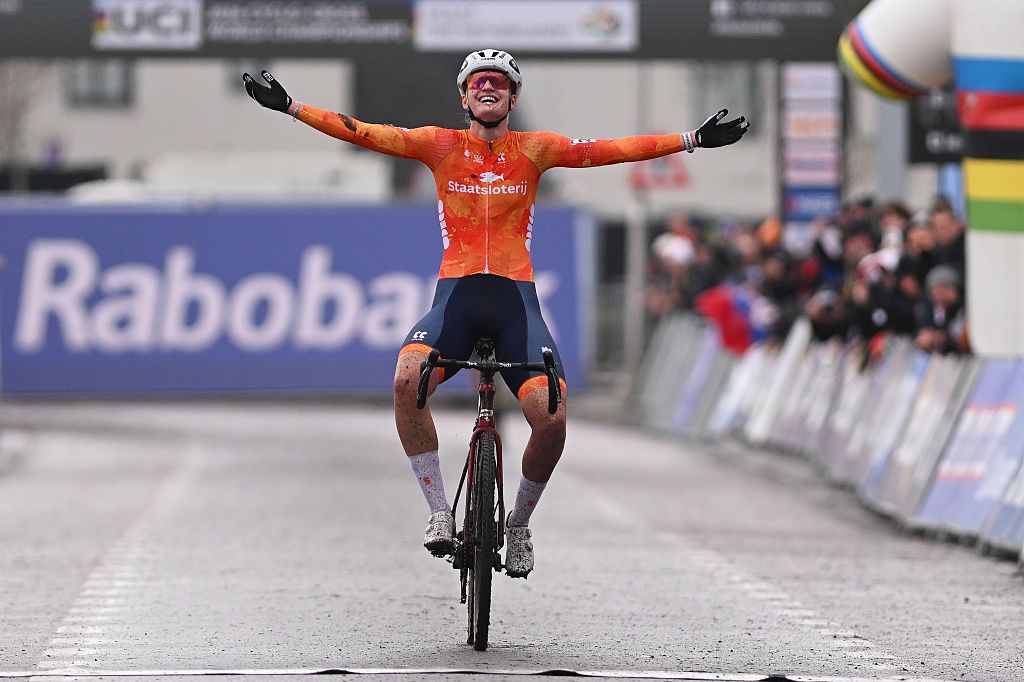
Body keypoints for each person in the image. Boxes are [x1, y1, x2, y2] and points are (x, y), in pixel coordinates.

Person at [243, 50, 749, 577]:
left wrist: (691, 139)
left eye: (499, 83)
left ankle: (519, 524)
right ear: (463, 97)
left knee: (551, 419)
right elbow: (365, 133)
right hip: (456, 301)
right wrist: (291, 107)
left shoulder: (534, 149)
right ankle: (439, 510)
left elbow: (610, 150)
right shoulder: (439, 146)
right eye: (478, 82)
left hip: (515, 305)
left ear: (514, 98)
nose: (488, 88)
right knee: (405, 380)